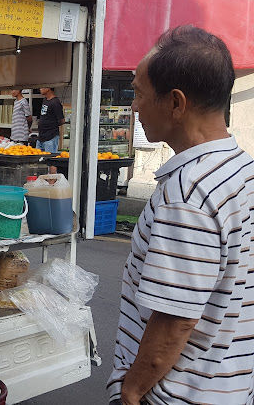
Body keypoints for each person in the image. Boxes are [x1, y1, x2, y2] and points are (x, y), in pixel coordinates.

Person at [107, 25, 253, 405]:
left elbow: (176, 321)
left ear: (176, 103)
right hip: (228, 386)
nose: (134, 107)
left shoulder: (188, 194)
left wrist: (133, 390)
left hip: (176, 393)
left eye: (138, 94)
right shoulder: (242, 168)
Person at [36, 87, 64, 153]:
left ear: (48, 88)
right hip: (41, 136)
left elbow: (62, 120)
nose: (40, 89)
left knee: (49, 159)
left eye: (42, 87)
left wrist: (51, 124)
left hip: (51, 137)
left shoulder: (55, 102)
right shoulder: (45, 100)